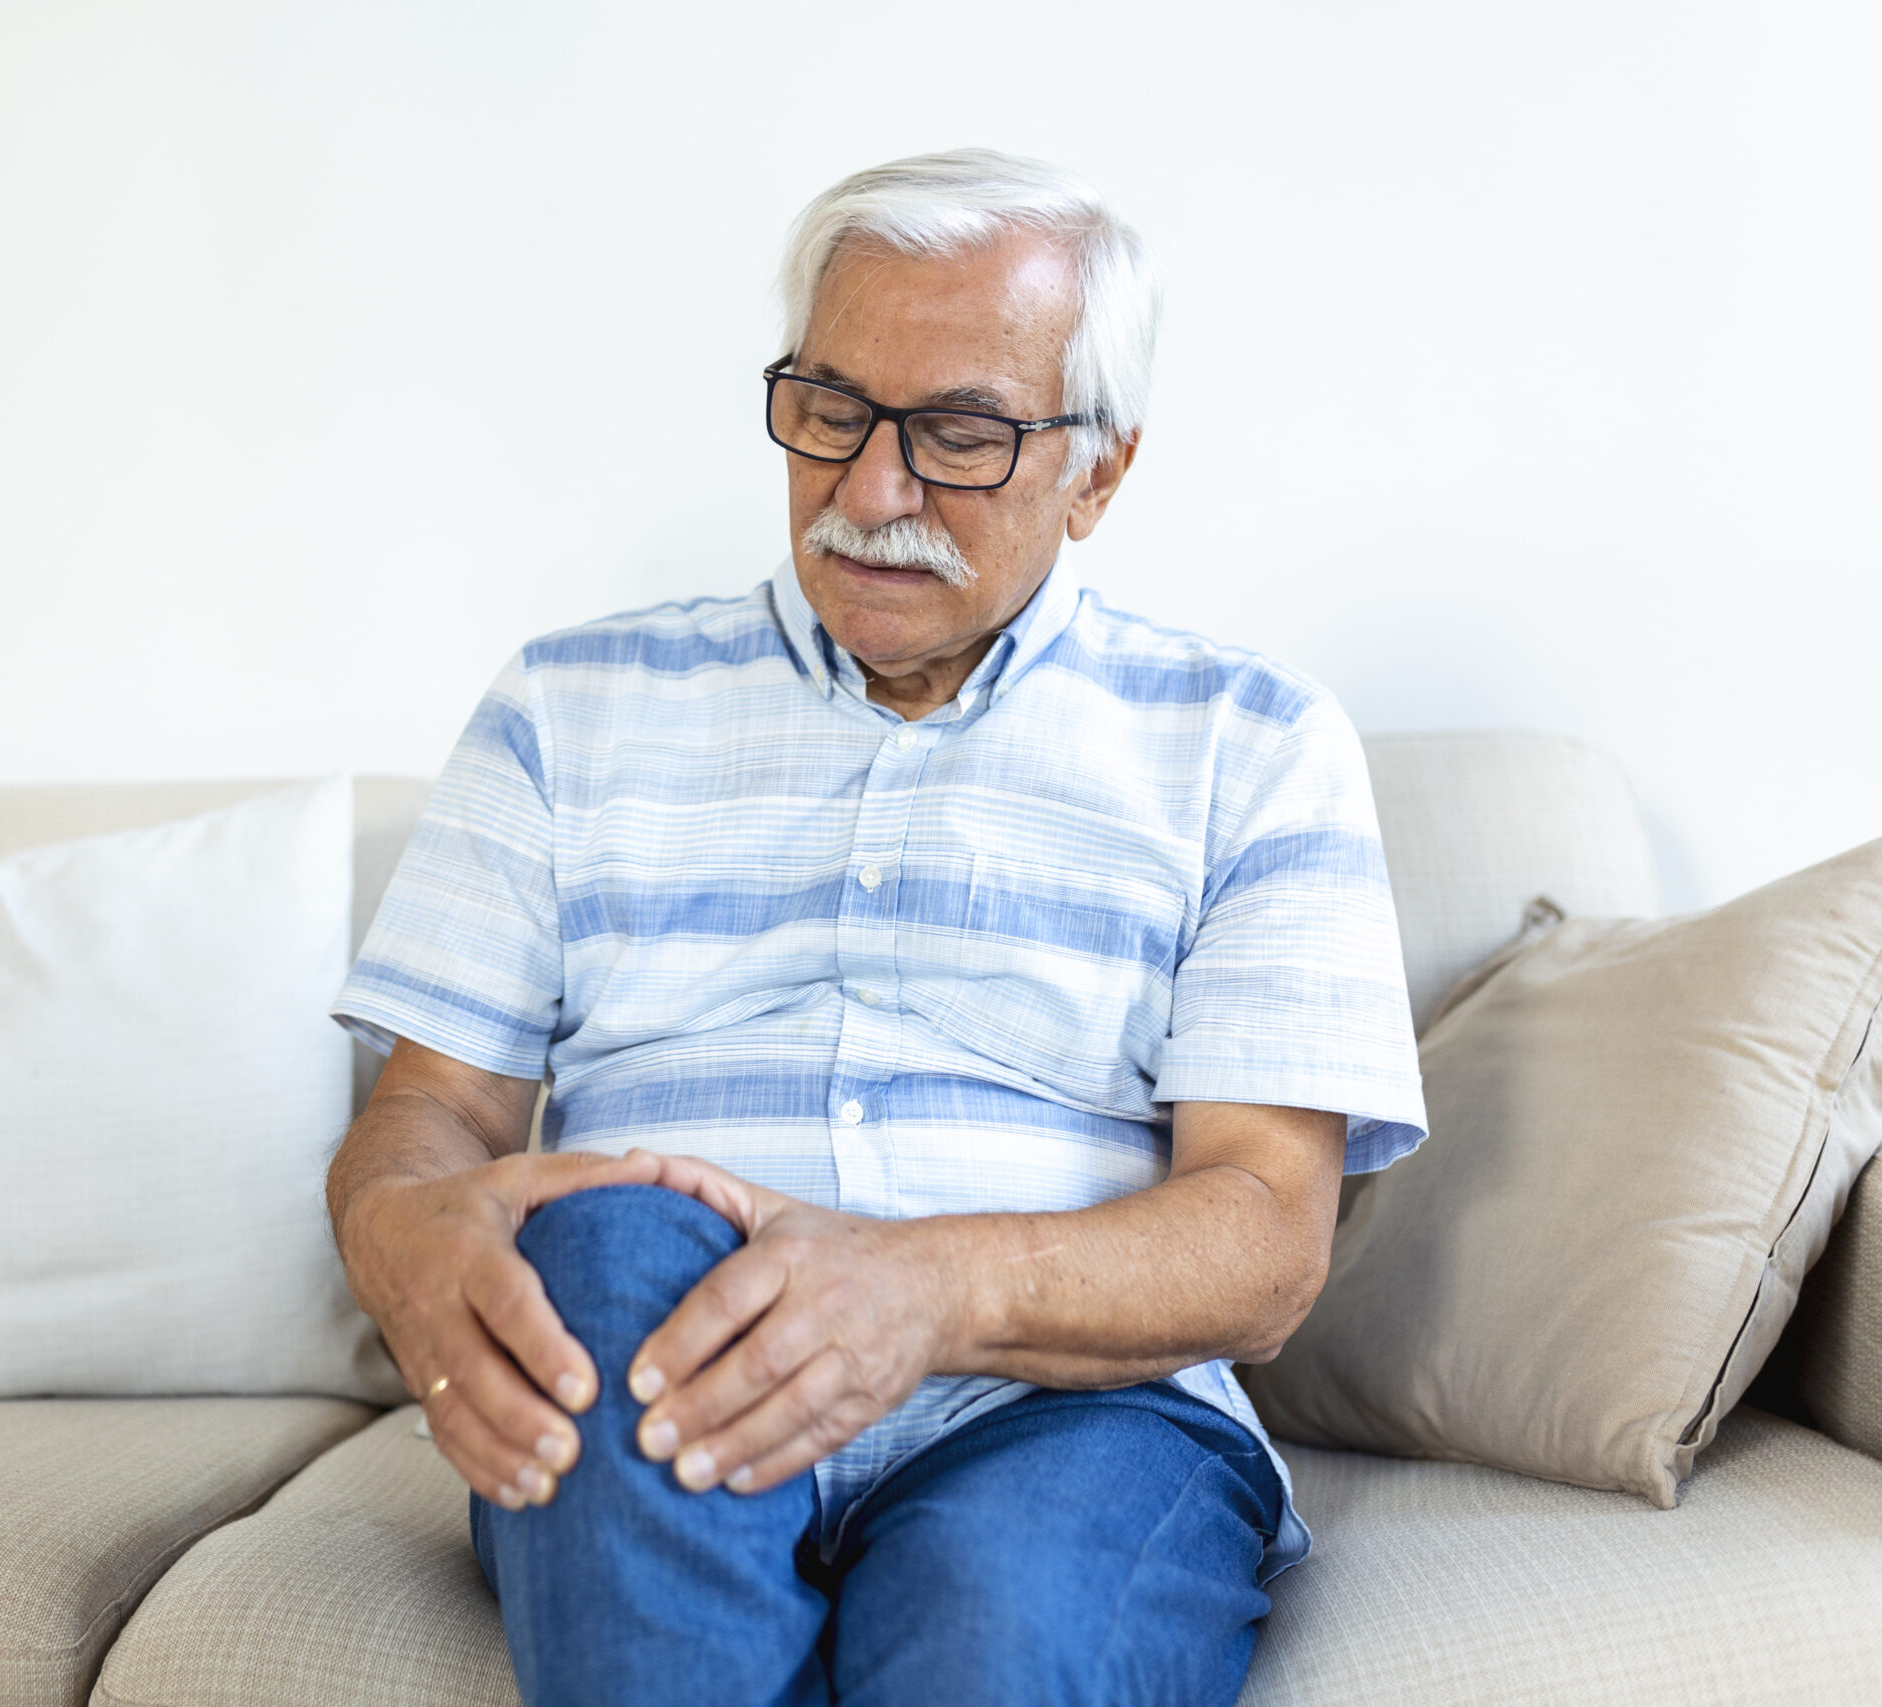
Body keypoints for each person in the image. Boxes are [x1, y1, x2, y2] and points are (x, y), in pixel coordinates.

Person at [324, 148, 1426, 1707]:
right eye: (831, 410)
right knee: (617, 1231)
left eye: (960, 434)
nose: (867, 492)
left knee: (996, 1645)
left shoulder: (1251, 741)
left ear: (1100, 469)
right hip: (651, 1349)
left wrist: (923, 1289)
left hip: (1068, 1415)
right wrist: (394, 1229)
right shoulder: (565, 709)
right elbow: (431, 1113)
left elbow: (1261, 1237)